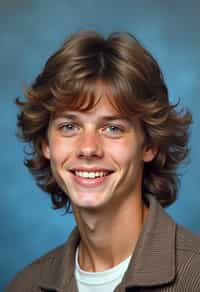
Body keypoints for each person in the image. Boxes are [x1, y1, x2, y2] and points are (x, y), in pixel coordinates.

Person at [6, 30, 200, 292]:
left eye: (112, 128)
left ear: (150, 145)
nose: (88, 148)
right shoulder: (24, 286)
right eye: (69, 126)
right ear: (45, 144)